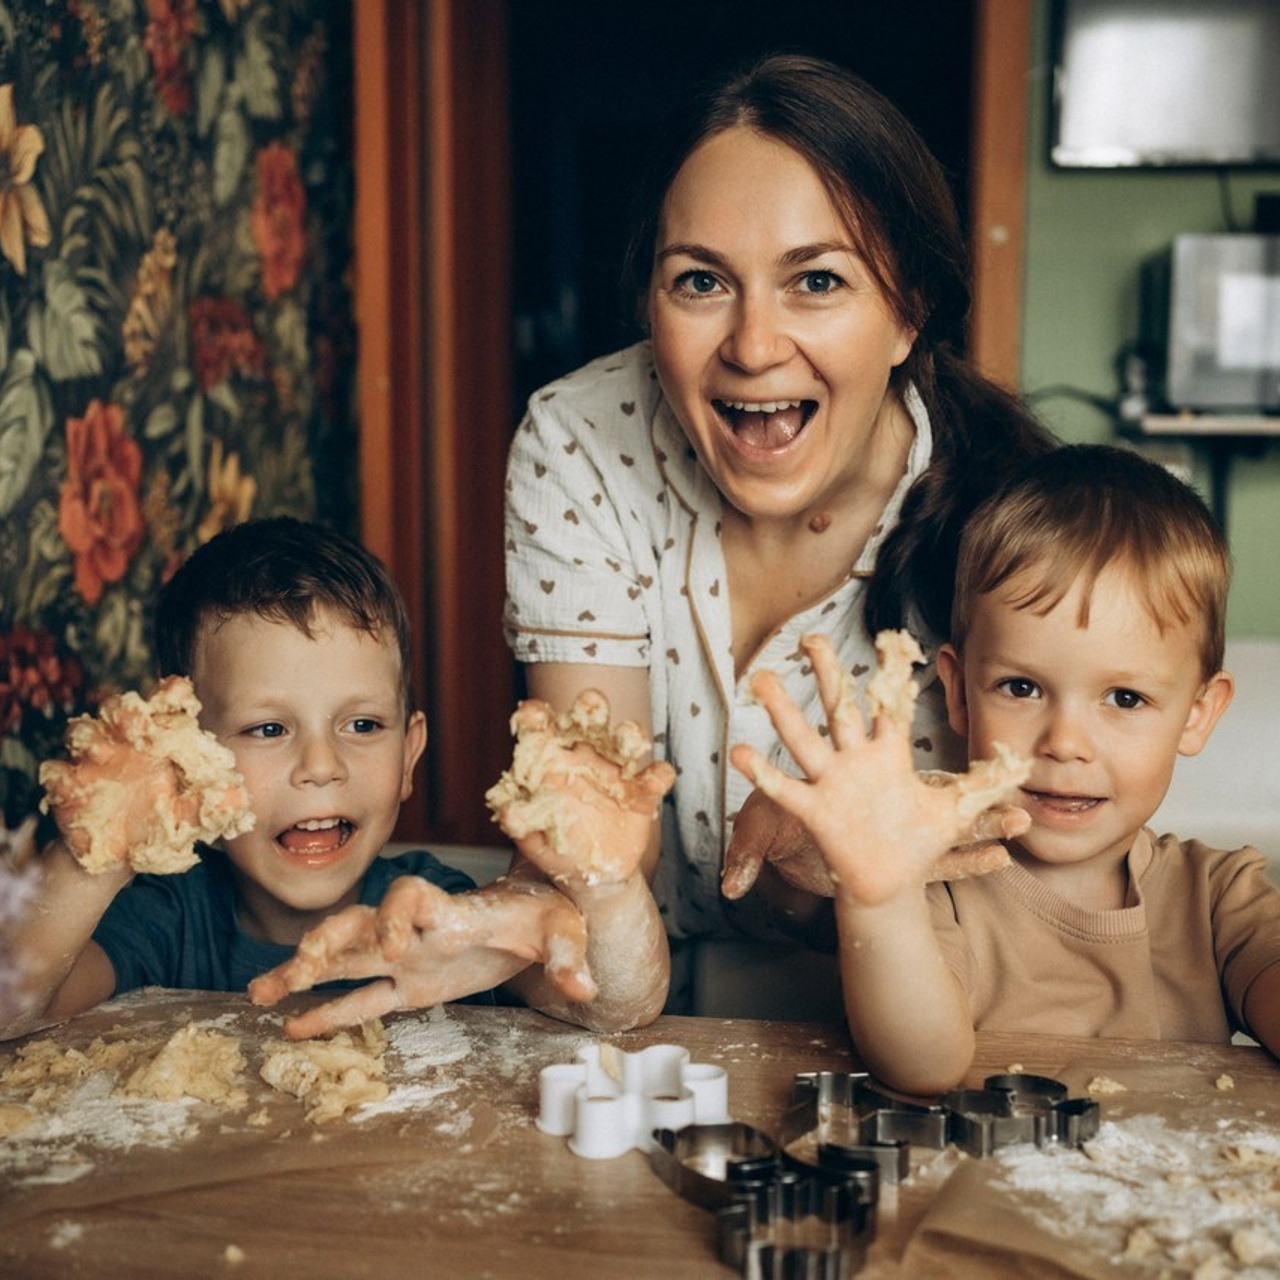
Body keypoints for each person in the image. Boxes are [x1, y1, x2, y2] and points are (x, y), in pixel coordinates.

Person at [502, 53, 1057, 1008]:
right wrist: (506, 937)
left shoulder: (1013, 524)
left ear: (908, 312)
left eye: (818, 282)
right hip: (644, 1010)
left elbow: (1036, 912)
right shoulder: (580, 442)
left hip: (905, 1016)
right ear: (649, 302)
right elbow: (590, 890)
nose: (754, 346)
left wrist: (816, 878)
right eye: (701, 282)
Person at [733, 444, 1280, 1095]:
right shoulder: (944, 889)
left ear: (1196, 714)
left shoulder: (1217, 897)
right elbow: (922, 1064)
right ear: (959, 694)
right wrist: (880, 893)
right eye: (1021, 688)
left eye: (1125, 698)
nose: (1065, 744)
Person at [2, 518, 672, 1042]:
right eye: (268, 730)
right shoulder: (163, 920)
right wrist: (100, 853)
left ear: (410, 756)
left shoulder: (441, 909)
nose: (321, 766)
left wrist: (608, 887)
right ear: (185, 757)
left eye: (362, 726)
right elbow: (11, 1007)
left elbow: (615, 1007)